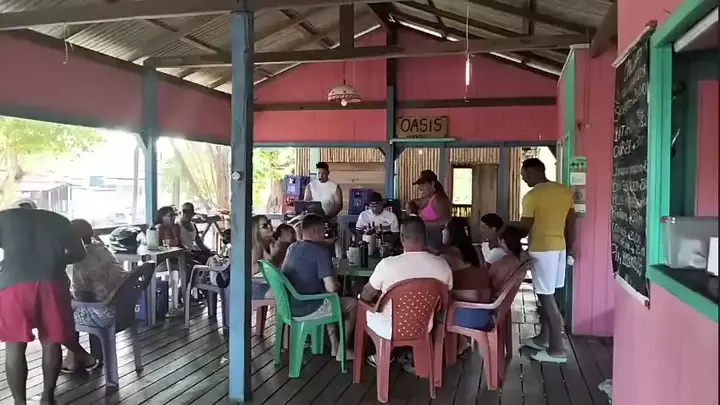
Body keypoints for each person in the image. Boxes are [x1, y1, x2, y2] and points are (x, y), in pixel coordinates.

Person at [0, 199, 87, 405]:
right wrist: (55, 260)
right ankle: (48, 398)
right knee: (51, 341)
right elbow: (80, 253)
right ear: (35, 208)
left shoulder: (3, 218)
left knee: (14, 346)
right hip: (52, 283)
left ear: (17, 208)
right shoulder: (58, 219)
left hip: (14, 286)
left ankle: (19, 402)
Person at [360, 216, 453, 346]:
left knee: (362, 306)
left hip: (389, 329)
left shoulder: (387, 265)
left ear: (402, 238)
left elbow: (367, 295)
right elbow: (446, 298)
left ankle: (374, 352)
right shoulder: (442, 265)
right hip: (424, 327)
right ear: (426, 236)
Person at [518, 158, 575, 364]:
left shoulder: (532, 196)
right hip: (560, 248)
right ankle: (543, 339)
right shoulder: (564, 191)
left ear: (532, 172)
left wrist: (504, 232)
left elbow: (524, 228)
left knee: (546, 298)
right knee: (550, 296)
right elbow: (571, 223)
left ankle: (557, 349)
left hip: (542, 250)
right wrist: (571, 249)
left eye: (524, 175)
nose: (524, 180)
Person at [282, 214, 356, 361]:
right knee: (353, 304)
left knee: (329, 297)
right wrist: (338, 284)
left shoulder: (292, 247)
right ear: (317, 232)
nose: (326, 233)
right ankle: (342, 350)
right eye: (324, 230)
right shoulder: (320, 252)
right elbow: (331, 288)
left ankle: (334, 345)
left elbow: (283, 274)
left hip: (289, 305)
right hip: (309, 307)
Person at [62, 219, 128, 373]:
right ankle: (84, 356)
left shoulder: (77, 259)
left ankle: (73, 359)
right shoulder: (101, 248)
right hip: (124, 309)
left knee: (60, 313)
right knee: (80, 301)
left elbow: (78, 292)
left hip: (103, 314)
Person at [449, 225, 529, 332]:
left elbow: (486, 282)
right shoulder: (516, 261)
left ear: (502, 242)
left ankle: (460, 340)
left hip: (487, 309)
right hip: (496, 307)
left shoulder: (503, 263)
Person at [410, 170, 451, 250]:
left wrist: (420, 224)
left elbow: (445, 222)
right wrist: (411, 208)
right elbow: (413, 202)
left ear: (432, 184)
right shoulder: (430, 198)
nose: (420, 188)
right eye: (419, 185)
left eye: (423, 185)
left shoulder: (439, 200)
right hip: (429, 239)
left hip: (436, 241)